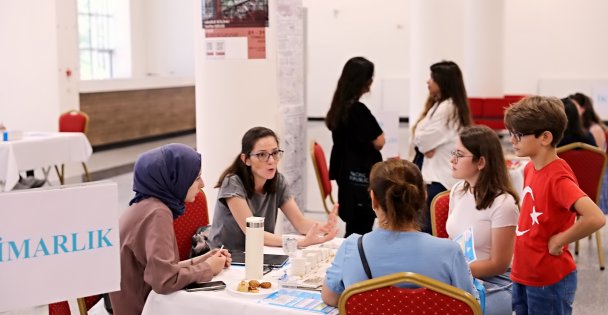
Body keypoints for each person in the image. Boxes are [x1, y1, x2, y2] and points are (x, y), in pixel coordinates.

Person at [321, 159, 477, 307]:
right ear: (423, 196)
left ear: (373, 199)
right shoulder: (450, 252)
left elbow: (331, 297)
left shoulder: (353, 247)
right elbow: (470, 306)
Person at [504, 96, 605, 315]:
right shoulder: (531, 168)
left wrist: (561, 239)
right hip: (524, 272)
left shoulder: (558, 177)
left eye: (519, 134)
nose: (512, 140)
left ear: (545, 137)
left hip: (547, 279)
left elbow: (596, 217)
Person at [109, 143, 231, 315]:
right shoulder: (157, 213)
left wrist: (204, 259)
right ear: (174, 178)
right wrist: (208, 268)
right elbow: (165, 280)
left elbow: (161, 270)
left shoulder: (146, 205)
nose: (202, 184)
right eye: (196, 178)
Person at [207, 126, 338, 251]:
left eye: (275, 153)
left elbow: (300, 223)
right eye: (262, 155)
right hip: (226, 257)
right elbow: (253, 232)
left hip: (259, 253)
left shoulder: (278, 181)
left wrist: (324, 227)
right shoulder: (233, 182)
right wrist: (298, 242)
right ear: (246, 159)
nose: (271, 161)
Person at [447, 125, 520, 315]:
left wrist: (454, 270)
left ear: (481, 162)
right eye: (453, 153)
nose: (452, 160)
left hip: (495, 282)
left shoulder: (503, 204)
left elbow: (498, 264)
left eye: (459, 155)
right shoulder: (458, 191)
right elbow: (452, 242)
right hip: (460, 276)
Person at [325, 56, 385, 237]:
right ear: (364, 81)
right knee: (360, 228)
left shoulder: (339, 106)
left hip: (346, 175)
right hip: (359, 177)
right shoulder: (358, 110)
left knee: (355, 227)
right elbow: (380, 141)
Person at [411, 60, 473, 234]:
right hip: (435, 175)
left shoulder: (448, 108)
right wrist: (422, 142)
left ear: (443, 81)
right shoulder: (440, 105)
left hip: (441, 179)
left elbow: (422, 141)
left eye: (431, 77)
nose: (427, 81)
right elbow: (419, 137)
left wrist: (422, 143)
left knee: (431, 230)